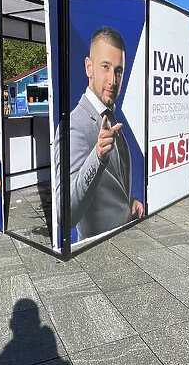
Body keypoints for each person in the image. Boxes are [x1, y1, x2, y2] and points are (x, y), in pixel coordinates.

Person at [54, 27, 144, 242]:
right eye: (105, 67)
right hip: (98, 251)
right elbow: (64, 214)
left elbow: (108, 190)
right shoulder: (74, 125)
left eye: (119, 70)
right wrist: (98, 156)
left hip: (123, 237)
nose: (113, 80)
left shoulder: (109, 116)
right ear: (88, 67)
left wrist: (127, 204)